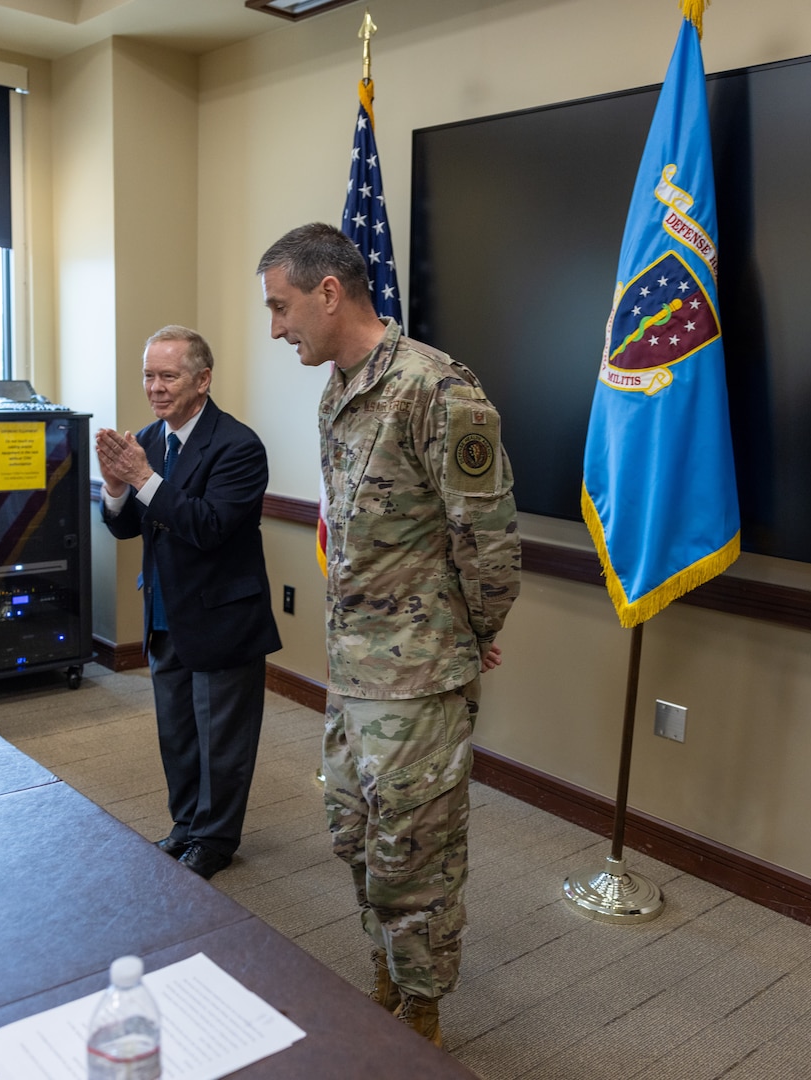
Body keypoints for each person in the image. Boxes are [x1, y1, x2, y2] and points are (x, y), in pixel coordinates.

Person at [257, 224, 521, 1045]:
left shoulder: (438, 391)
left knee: (415, 855)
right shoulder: (339, 389)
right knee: (353, 833)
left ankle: (423, 1014)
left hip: (416, 678)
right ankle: (386, 976)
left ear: (328, 292)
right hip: (354, 670)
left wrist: (465, 635)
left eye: (281, 306)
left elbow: (490, 541)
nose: (275, 328)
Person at [96, 325, 282, 880]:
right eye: (149, 375)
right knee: (177, 732)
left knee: (221, 741)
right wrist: (113, 486)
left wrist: (143, 478)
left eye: (168, 375)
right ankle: (185, 826)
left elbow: (210, 527)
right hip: (164, 613)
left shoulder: (238, 445)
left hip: (224, 617)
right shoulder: (149, 440)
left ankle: (216, 839)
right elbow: (128, 526)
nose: (155, 387)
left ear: (202, 380)